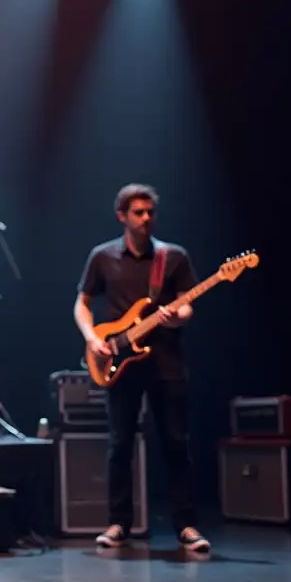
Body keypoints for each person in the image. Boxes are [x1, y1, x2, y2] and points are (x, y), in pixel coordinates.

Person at [74, 184, 211, 553]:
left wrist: (176, 318)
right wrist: (92, 338)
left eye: (150, 212)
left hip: (166, 360)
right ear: (122, 216)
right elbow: (82, 303)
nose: (146, 218)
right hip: (119, 358)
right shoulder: (103, 257)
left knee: (176, 443)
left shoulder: (173, 257)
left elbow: (187, 307)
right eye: (138, 212)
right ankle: (119, 522)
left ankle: (187, 525)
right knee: (119, 443)